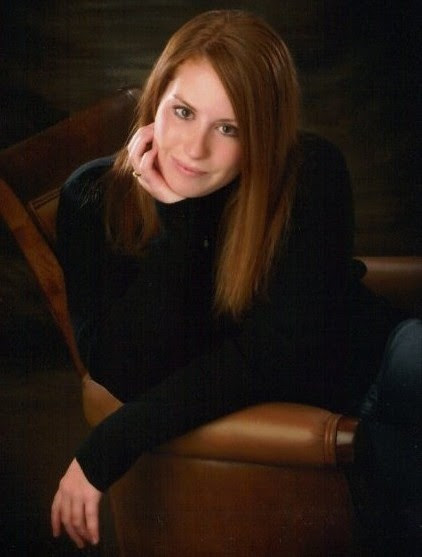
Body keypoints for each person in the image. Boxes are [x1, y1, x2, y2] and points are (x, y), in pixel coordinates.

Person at [50, 9, 421, 554]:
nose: (193, 149)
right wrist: (176, 221)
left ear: (264, 133)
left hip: (385, 363)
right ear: (155, 100)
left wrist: (107, 446)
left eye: (230, 128)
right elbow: (126, 372)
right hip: (324, 426)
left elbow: (275, 353)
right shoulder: (91, 198)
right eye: (182, 112)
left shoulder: (310, 171)